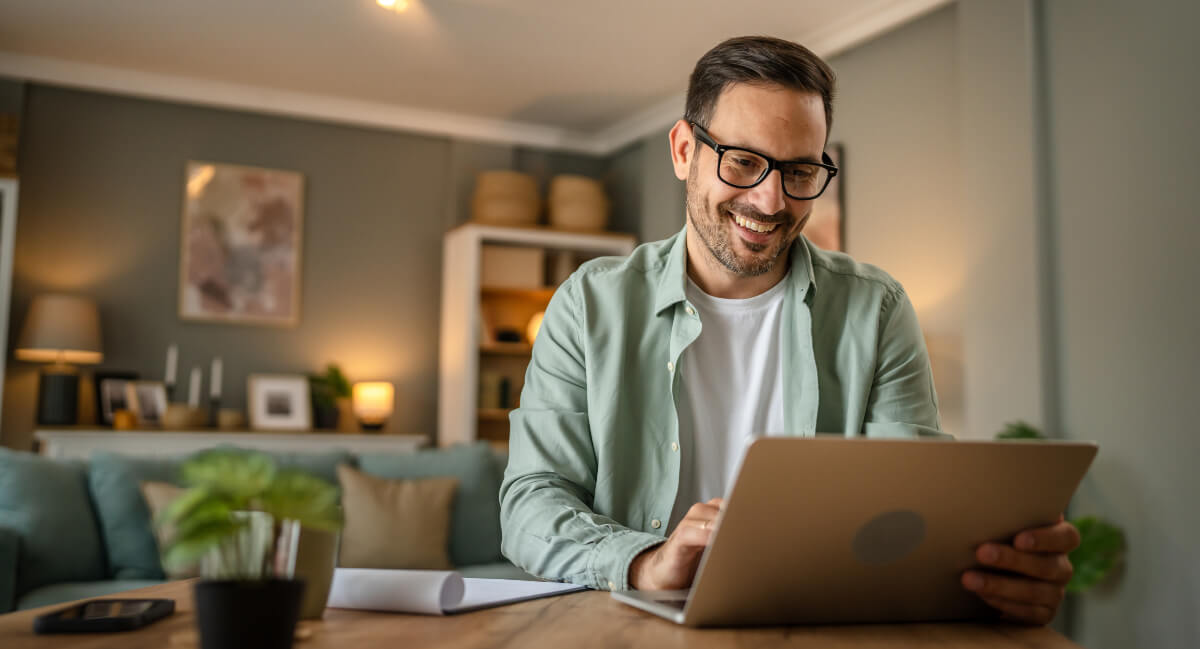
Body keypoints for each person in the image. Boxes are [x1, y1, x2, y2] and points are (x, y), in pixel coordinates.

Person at [499, 35, 1078, 626]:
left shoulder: (876, 309)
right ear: (682, 151)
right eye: (744, 162)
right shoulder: (588, 304)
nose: (771, 200)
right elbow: (531, 502)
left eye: (799, 170)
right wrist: (647, 561)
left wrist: (992, 575)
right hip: (629, 630)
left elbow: (907, 513)